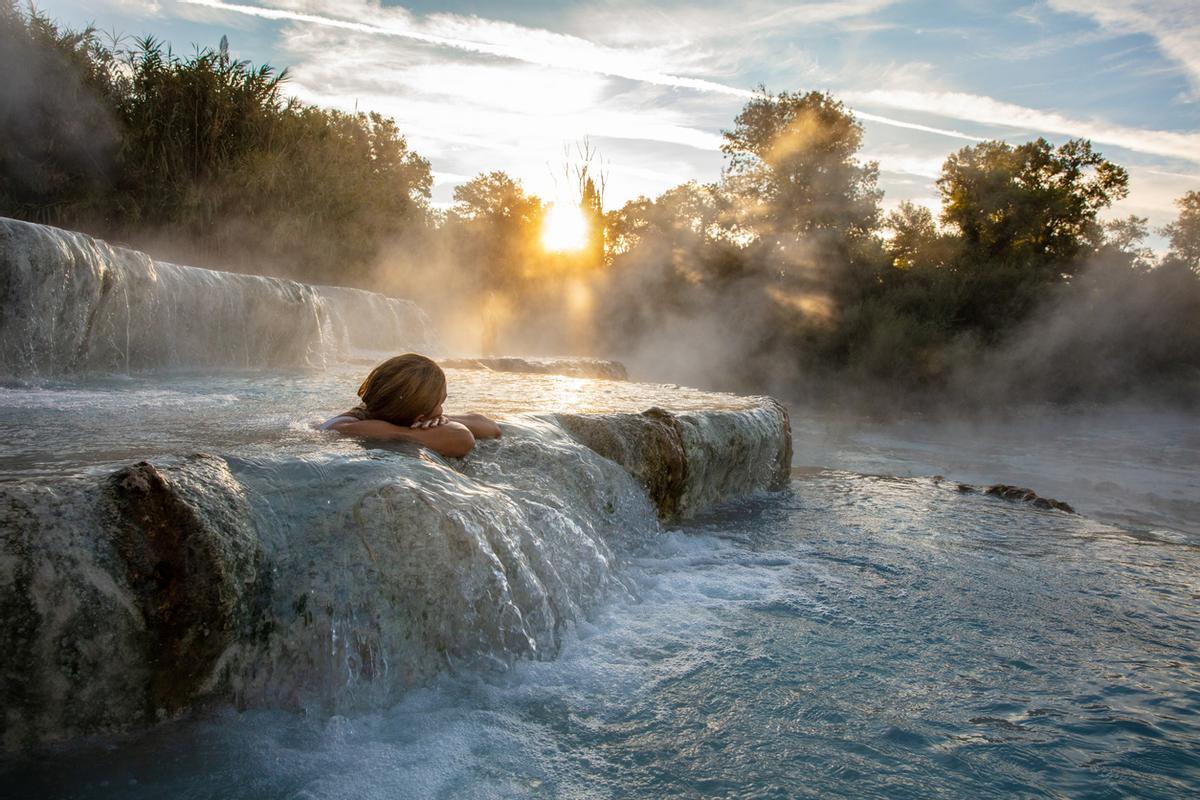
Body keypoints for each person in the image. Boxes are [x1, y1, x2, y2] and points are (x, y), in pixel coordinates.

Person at [320, 353, 500, 458]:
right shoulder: (344, 426)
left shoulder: (386, 411)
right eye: (441, 403)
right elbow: (463, 439)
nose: (442, 410)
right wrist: (415, 431)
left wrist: (440, 419)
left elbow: (491, 427)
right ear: (418, 417)